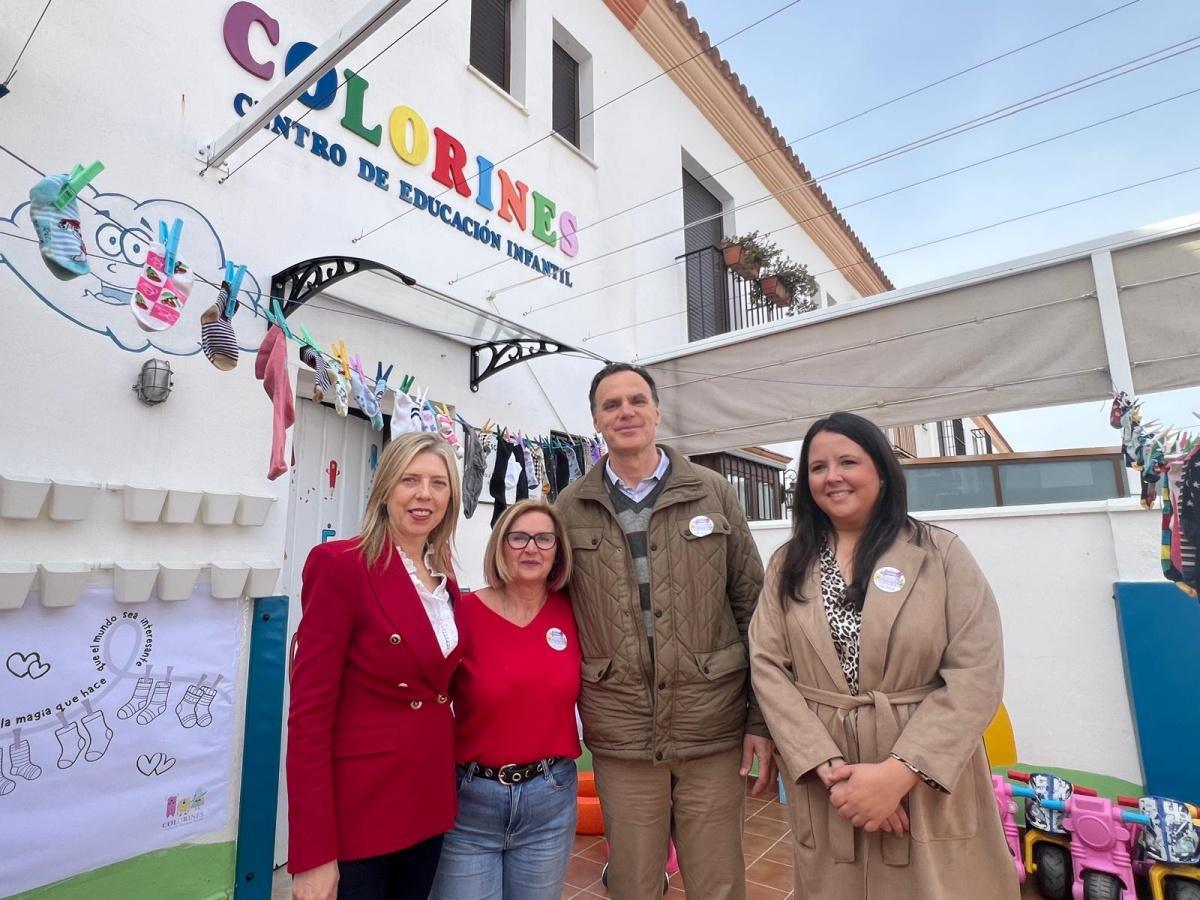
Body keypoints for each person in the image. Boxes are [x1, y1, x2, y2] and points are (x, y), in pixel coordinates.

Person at [748, 412, 1020, 899]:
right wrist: (833, 774)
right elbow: (768, 666)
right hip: (827, 776)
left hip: (923, 774)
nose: (832, 476)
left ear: (881, 471)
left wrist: (898, 774)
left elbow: (977, 672)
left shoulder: (939, 554)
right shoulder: (788, 563)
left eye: (847, 462)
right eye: (817, 467)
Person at [555, 362, 773, 900]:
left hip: (712, 724)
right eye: (611, 405)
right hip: (622, 730)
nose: (625, 412)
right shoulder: (569, 507)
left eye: (637, 400)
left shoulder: (712, 492)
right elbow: (556, 615)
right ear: (595, 421)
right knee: (633, 882)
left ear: (656, 411)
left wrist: (760, 720)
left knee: (717, 882)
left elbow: (754, 608)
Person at [287, 432, 464, 900]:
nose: (425, 495)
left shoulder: (443, 578)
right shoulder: (340, 564)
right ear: (385, 489)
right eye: (410, 480)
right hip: (362, 808)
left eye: (438, 483)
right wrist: (312, 853)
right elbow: (309, 716)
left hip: (427, 800)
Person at [430, 499, 581, 899]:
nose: (531, 548)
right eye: (519, 538)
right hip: (470, 802)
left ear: (558, 550)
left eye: (544, 539)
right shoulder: (462, 613)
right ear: (500, 545)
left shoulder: (576, 613)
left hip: (549, 800)